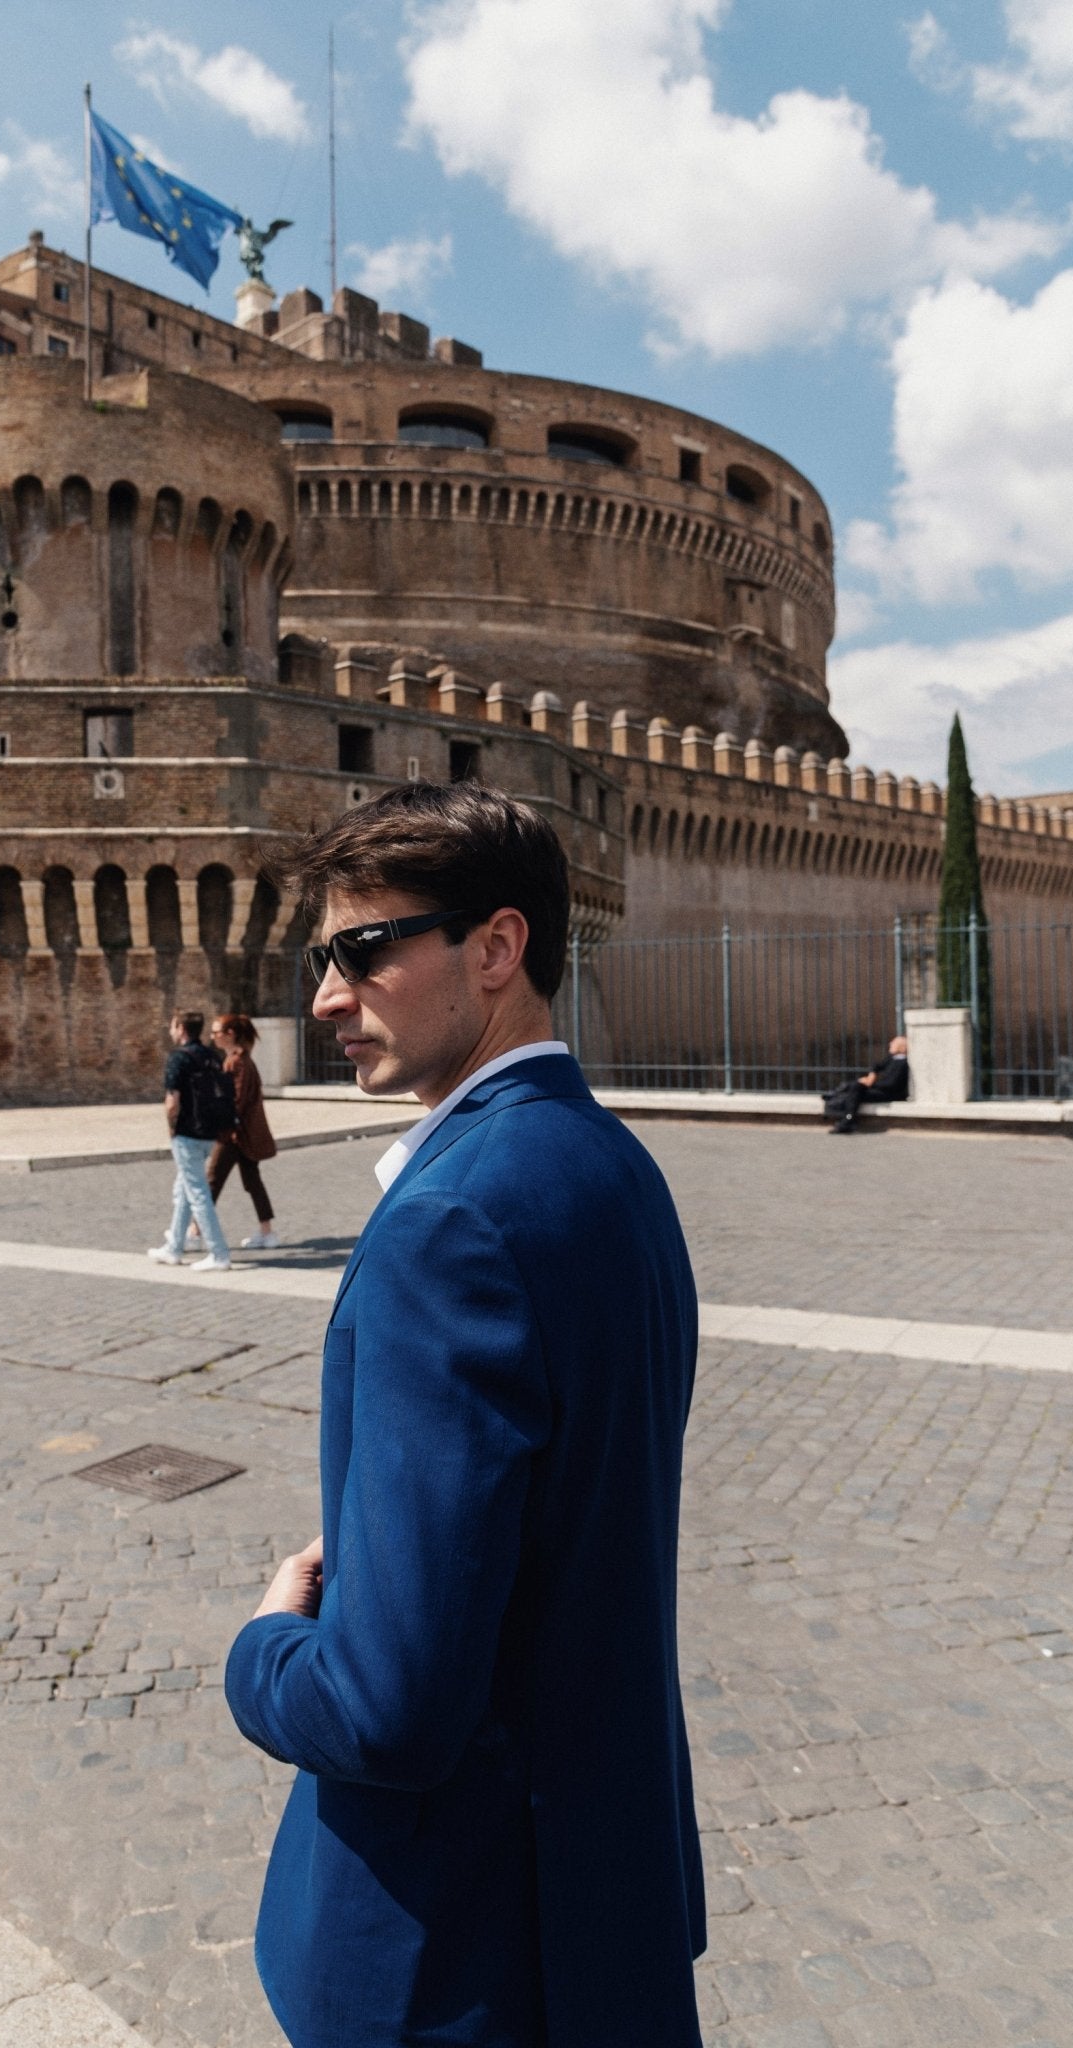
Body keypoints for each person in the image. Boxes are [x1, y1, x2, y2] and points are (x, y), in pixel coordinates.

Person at [225, 783, 705, 2048]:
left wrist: (261, 1650)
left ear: (495, 949)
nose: (326, 994)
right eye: (322, 958)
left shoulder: (450, 1223)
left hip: (456, 1959)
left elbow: (389, 1703)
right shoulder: (614, 1171)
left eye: (362, 950)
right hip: (607, 1905)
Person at [147, 1009, 235, 1270]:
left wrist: (172, 1128)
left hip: (187, 1133)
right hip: (210, 1132)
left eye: (173, 1026)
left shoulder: (178, 1059)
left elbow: (172, 1102)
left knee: (197, 1193)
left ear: (182, 1029)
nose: (171, 1031)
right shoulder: (211, 1056)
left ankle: (219, 1254)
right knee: (184, 1189)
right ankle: (174, 1247)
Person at [207, 1013, 281, 1248]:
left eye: (216, 1032)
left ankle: (196, 1230)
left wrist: (217, 1122)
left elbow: (236, 1100)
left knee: (211, 1180)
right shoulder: (239, 1059)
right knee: (252, 1181)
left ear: (229, 1035)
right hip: (242, 1133)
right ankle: (267, 1231)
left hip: (234, 1134)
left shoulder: (237, 1062)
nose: (212, 1037)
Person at [824, 1033, 910, 1132]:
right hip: (881, 1090)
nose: (890, 1044)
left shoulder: (902, 1063)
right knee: (856, 1088)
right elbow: (877, 1066)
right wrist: (871, 1076)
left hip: (890, 1094)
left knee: (855, 1090)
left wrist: (870, 1084)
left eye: (894, 1043)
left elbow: (891, 1084)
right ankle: (847, 1118)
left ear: (902, 1047)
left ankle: (847, 1118)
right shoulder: (892, 1058)